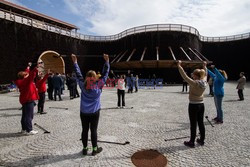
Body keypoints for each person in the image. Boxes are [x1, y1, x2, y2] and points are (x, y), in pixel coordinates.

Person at [71, 53, 110, 156]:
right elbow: (105, 74)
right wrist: (107, 62)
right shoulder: (99, 86)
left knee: (84, 130)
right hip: (94, 112)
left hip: (84, 112)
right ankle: (94, 149)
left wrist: (75, 62)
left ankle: (84, 149)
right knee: (93, 130)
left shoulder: (83, 85)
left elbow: (78, 74)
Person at [177, 60, 207, 148]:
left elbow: (185, 77)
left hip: (193, 105)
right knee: (201, 122)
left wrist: (179, 65)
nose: (192, 75)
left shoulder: (194, 83)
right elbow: (205, 74)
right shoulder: (204, 81)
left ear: (196, 75)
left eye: (193, 74)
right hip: (201, 104)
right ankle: (202, 140)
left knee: (193, 124)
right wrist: (204, 66)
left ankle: (192, 142)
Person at [15, 62, 39, 135]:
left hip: (24, 100)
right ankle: (29, 130)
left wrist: (28, 66)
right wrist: (36, 68)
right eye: (26, 75)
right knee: (29, 116)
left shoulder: (21, 81)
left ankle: (24, 129)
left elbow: (27, 73)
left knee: (24, 115)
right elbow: (31, 75)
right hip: (29, 100)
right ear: (25, 76)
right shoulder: (26, 81)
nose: (27, 74)